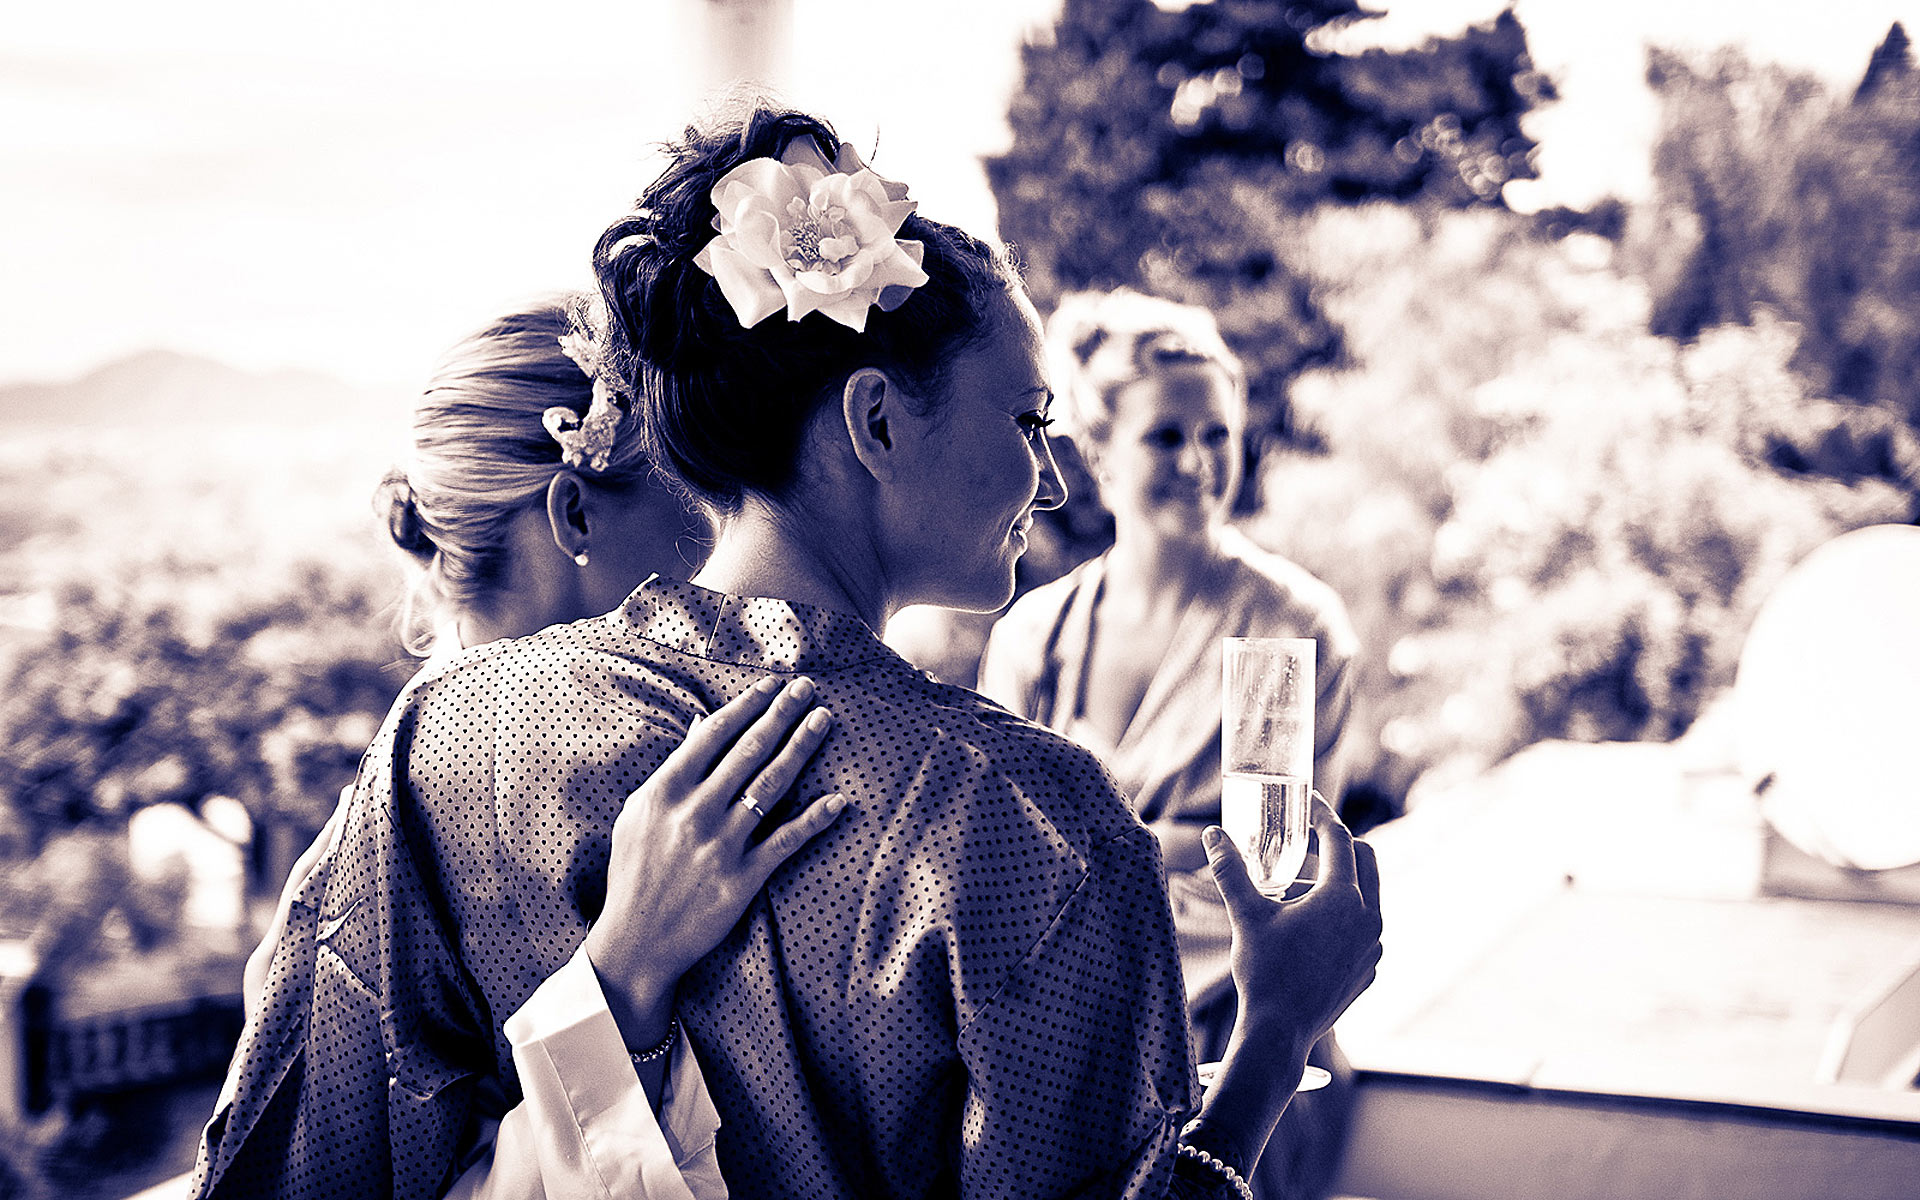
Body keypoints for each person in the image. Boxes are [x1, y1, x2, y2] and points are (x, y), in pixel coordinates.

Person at [205, 104, 1381, 1200]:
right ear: (874, 423)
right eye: (1028, 422)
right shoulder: (1033, 830)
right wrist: (1276, 1029)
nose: (1054, 476)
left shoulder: (446, 741)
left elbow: (293, 1155)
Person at [199, 299, 848, 1199]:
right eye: (696, 503)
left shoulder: (623, 748)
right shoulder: (429, 789)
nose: (720, 554)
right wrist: (625, 969)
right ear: (576, 514)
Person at [977, 288, 1362, 1198]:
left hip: (1245, 1055)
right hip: (1071, 1052)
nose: (1199, 461)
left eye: (1218, 434)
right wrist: (1179, 844)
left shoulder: (1285, 626)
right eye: (1166, 436)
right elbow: (999, 873)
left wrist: (1099, 857)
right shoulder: (1036, 635)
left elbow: (1271, 878)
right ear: (1098, 450)